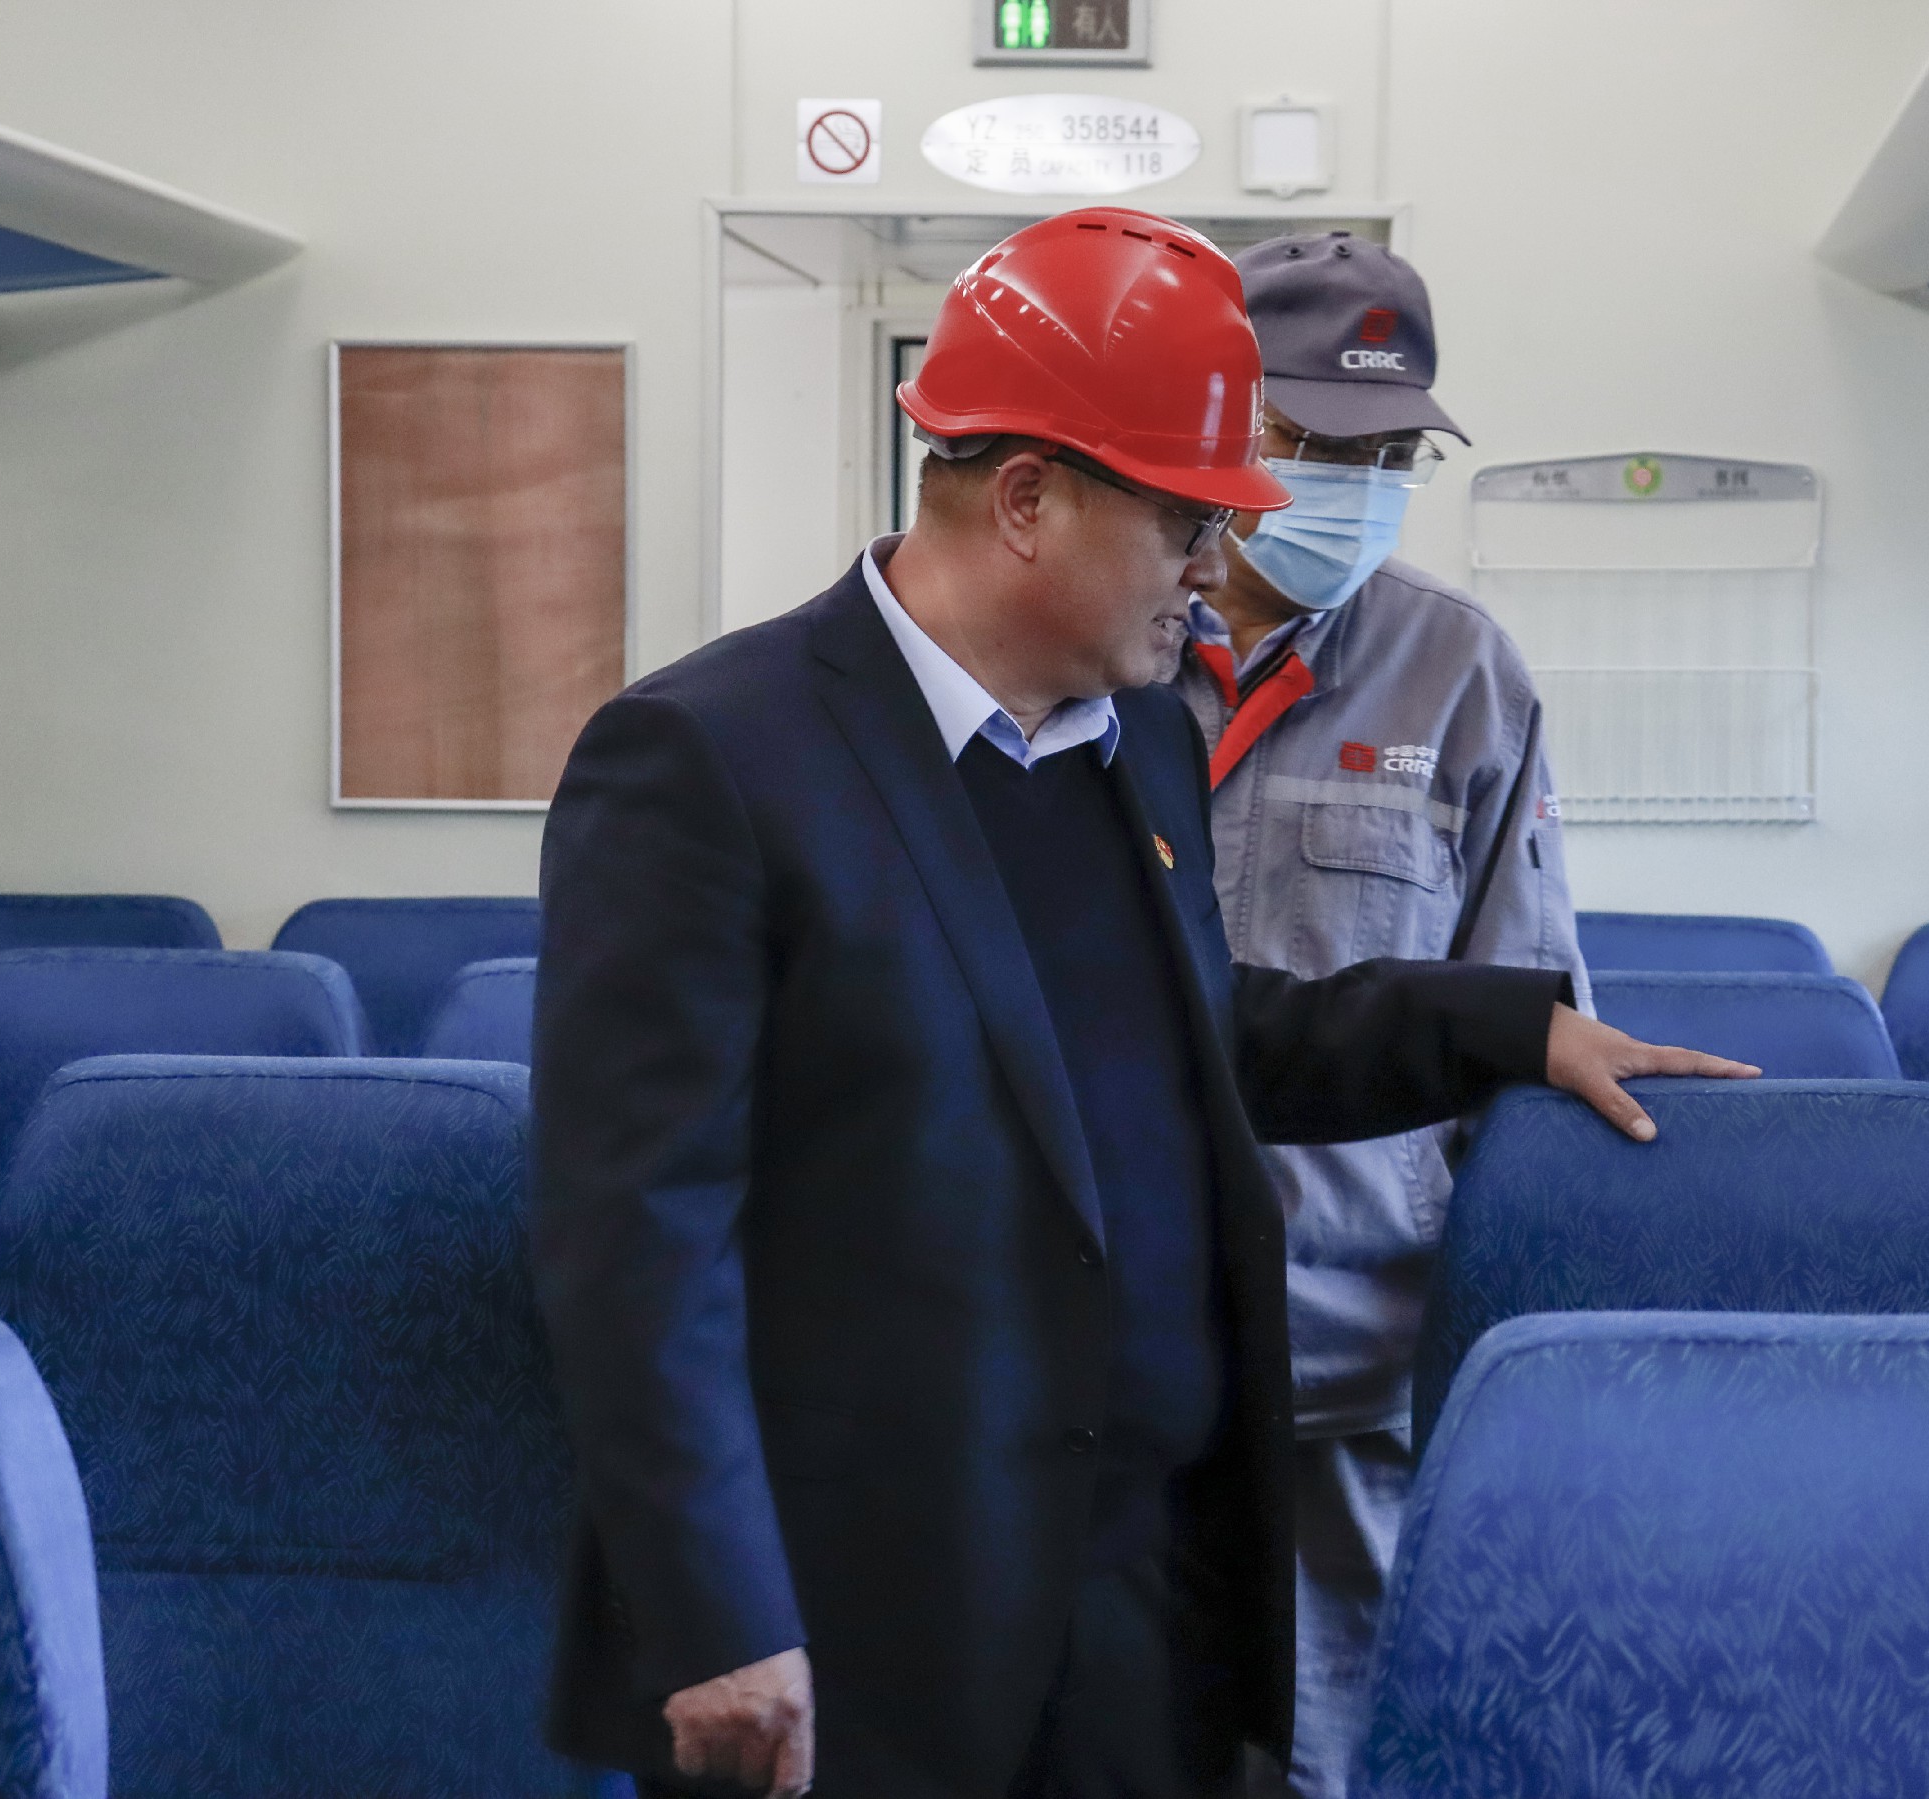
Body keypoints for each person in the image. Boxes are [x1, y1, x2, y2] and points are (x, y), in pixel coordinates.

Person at [531, 206, 1750, 1799]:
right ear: (1028, 501)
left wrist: (1506, 1027)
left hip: (1143, 1598)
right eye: (1186, 517)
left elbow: (1200, 1035)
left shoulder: (1137, 740)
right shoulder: (709, 757)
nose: (1215, 564)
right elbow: (638, 1236)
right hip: (863, 1621)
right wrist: (715, 1616)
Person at [1163, 229, 1593, 1799]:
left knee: (1318, 1765)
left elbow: (1522, 1027)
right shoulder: (1089, 643)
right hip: (1092, 1351)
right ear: (1222, 424)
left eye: (1390, 454)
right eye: (1317, 443)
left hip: (1339, 1355)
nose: (1356, 482)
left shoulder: (1460, 670)